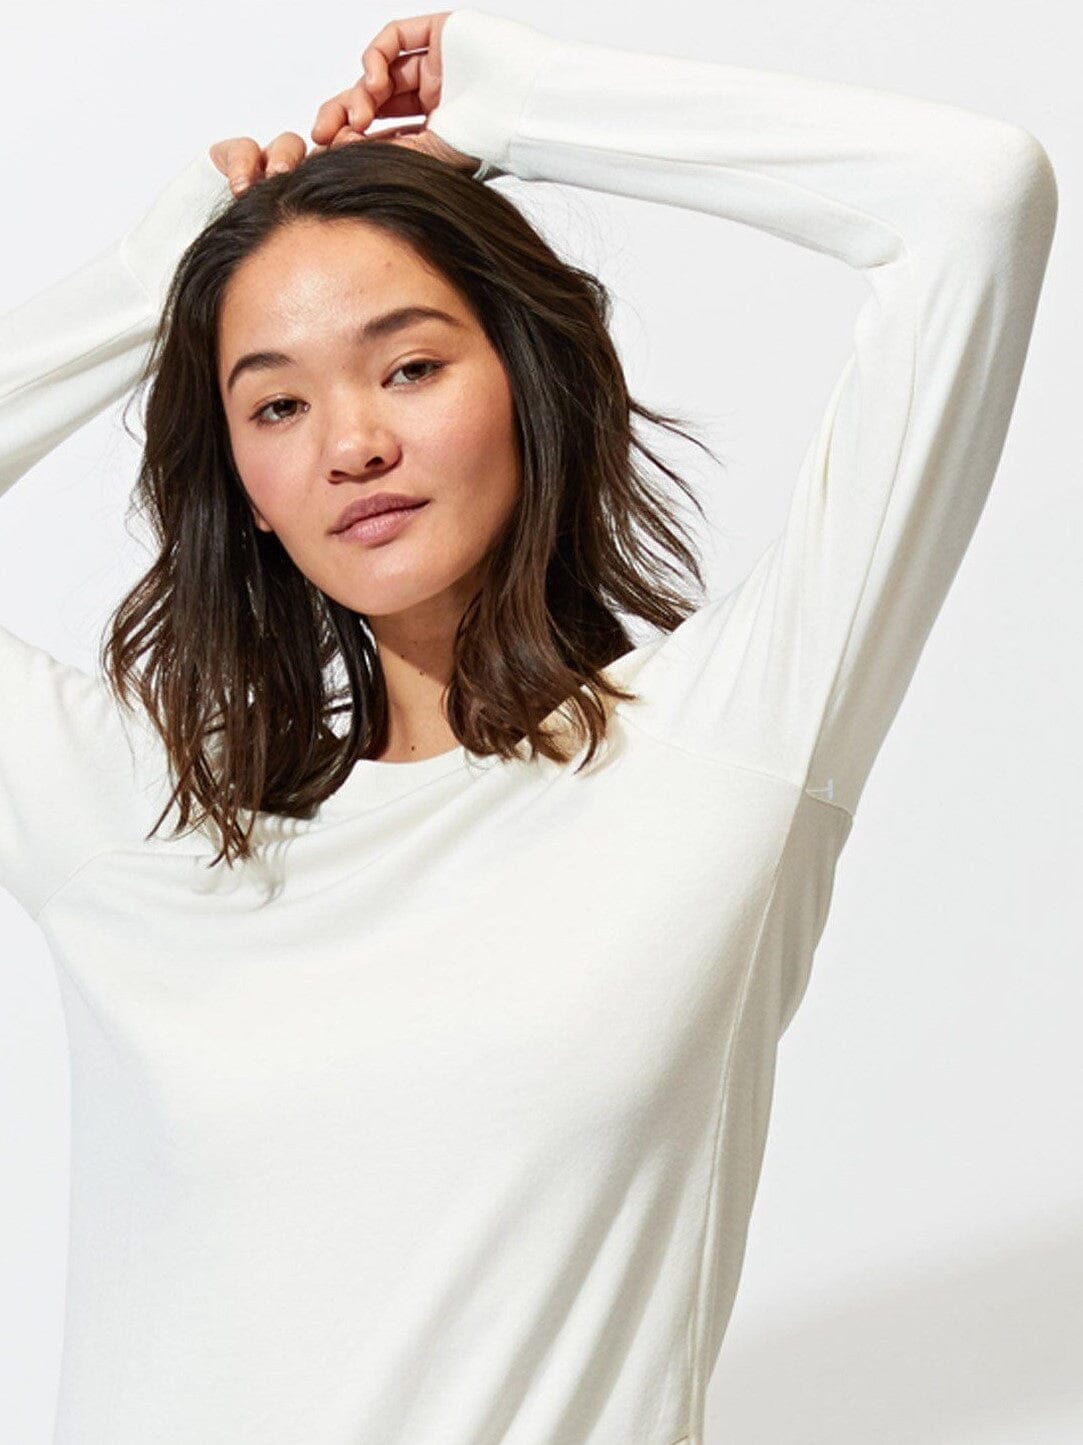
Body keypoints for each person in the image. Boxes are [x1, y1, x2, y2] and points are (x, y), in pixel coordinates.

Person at [0, 7, 1057, 1442]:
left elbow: (977, 197)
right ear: (243, 484)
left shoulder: (725, 745)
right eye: (277, 404)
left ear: (525, 380)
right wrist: (169, 268)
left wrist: (518, 106)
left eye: (411, 366)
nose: (353, 443)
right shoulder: (142, 818)